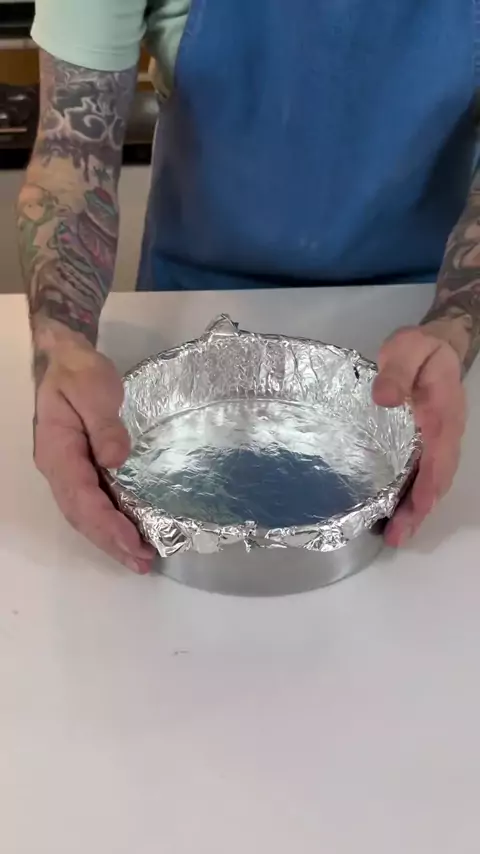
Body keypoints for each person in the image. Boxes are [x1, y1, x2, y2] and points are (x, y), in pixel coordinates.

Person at [18, 0, 476, 574]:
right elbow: (72, 156)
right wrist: (59, 344)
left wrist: (456, 323)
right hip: (188, 306)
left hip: (416, 333)